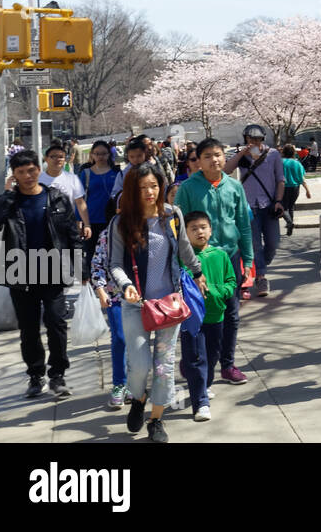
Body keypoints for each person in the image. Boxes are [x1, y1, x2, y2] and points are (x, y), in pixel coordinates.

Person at [109, 164, 207, 443]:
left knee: (163, 366)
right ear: (131, 191)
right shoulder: (121, 222)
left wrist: (198, 272)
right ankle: (138, 398)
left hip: (169, 305)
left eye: (153, 186)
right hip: (136, 305)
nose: (149, 192)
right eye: (142, 188)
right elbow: (114, 264)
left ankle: (156, 420)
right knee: (139, 365)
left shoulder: (171, 215)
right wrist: (126, 286)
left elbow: (185, 249)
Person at [0, 150, 82, 399]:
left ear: (39, 169)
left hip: (53, 270)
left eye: (31, 170)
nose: (27, 176)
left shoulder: (57, 198)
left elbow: (72, 235)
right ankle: (35, 375)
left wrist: (82, 268)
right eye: (21, 172)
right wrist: (6, 197)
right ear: (14, 175)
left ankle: (58, 375)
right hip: (20, 273)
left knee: (56, 323)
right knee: (28, 329)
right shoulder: (8, 201)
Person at [173, 138, 254, 386]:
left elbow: (243, 224)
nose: (214, 160)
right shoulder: (188, 188)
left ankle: (227, 365)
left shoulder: (234, 186)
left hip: (228, 258)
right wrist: (183, 262)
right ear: (198, 160)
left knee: (231, 314)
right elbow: (178, 227)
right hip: (197, 261)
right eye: (207, 156)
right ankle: (194, 360)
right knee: (198, 314)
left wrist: (249, 259)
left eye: (218, 154)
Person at [178, 210, 237, 423]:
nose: (199, 232)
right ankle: (201, 402)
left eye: (203, 227)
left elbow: (231, 282)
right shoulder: (183, 258)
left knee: (211, 357)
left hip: (216, 316)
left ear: (211, 230)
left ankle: (205, 383)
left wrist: (216, 291)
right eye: (193, 229)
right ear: (185, 233)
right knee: (196, 359)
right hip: (192, 318)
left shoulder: (220, 256)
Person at [224, 124, 286, 296]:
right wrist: (242, 153)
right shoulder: (242, 155)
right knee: (255, 245)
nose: (254, 142)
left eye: (257, 139)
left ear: (263, 139)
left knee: (273, 243)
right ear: (246, 139)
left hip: (269, 205)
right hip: (248, 207)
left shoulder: (273, 155)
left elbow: (280, 179)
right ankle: (260, 277)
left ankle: (259, 267)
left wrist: (279, 201)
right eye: (251, 139)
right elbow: (226, 170)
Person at [89, 208, 130, 408]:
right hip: (115, 296)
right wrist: (101, 290)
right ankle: (120, 384)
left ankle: (135, 383)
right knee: (120, 338)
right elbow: (97, 264)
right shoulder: (106, 234)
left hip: (142, 297)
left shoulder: (146, 230)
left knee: (138, 342)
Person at [40, 141, 90, 245]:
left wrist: (86, 224)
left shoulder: (72, 178)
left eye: (61, 157)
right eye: (53, 156)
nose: (57, 159)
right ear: (46, 159)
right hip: (43, 226)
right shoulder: (38, 179)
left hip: (67, 227)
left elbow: (80, 203)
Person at [280, 144, 312, 238]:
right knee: (291, 206)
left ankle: (289, 222)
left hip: (283, 187)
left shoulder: (280, 162)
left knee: (283, 207)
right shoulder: (297, 163)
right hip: (295, 188)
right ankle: (290, 226)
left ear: (283, 152)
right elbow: (302, 178)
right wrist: (307, 191)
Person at [110, 136, 150, 200]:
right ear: (127, 156)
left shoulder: (153, 170)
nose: (135, 159)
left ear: (145, 154)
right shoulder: (122, 174)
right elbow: (115, 194)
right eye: (132, 157)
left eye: (139, 156)